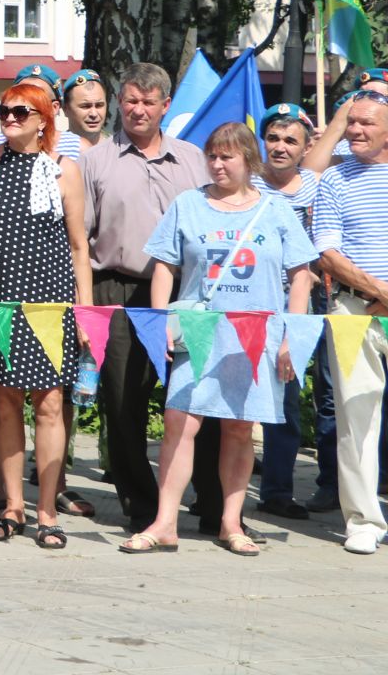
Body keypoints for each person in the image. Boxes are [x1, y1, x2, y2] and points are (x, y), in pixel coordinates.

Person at [119, 123, 317, 555]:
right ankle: (165, 522)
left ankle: (231, 522)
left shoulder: (276, 210)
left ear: (249, 160)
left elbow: (300, 275)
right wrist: (161, 323)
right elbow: (164, 267)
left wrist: (290, 337)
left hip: (255, 337)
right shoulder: (188, 204)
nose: (217, 163)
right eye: (212, 155)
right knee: (179, 423)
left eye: (227, 156)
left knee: (240, 430)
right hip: (198, 332)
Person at [0, 83, 93, 549]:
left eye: (19, 111)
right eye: (3, 111)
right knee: (5, 401)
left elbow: (78, 246)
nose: (8, 118)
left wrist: (86, 313)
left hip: (49, 300)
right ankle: (12, 505)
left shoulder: (62, 170)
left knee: (51, 403)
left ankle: (47, 510)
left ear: (43, 119)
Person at [81, 62, 207, 534]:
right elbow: (82, 238)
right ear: (119, 101)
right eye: (131, 100)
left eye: (148, 103)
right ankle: (142, 505)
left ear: (165, 106)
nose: (138, 110)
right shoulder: (95, 162)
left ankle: (210, 503)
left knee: (197, 398)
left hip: (187, 293)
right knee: (122, 400)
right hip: (117, 287)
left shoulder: (194, 159)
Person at [312, 88, 388, 554]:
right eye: (351, 122)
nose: (354, 131)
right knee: (356, 415)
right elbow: (326, 250)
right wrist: (378, 291)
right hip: (353, 308)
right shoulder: (335, 181)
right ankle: (363, 519)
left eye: (366, 124)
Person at [252, 103, 335, 517]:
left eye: (291, 140)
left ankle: (277, 492)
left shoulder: (318, 186)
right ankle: (210, 491)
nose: (280, 147)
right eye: (273, 138)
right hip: (249, 301)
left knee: (286, 396)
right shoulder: (246, 184)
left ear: (306, 148)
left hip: (299, 300)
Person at [61, 69, 108, 148]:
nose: (93, 114)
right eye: (85, 106)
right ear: (66, 109)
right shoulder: (53, 152)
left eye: (99, 105)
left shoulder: (117, 150)